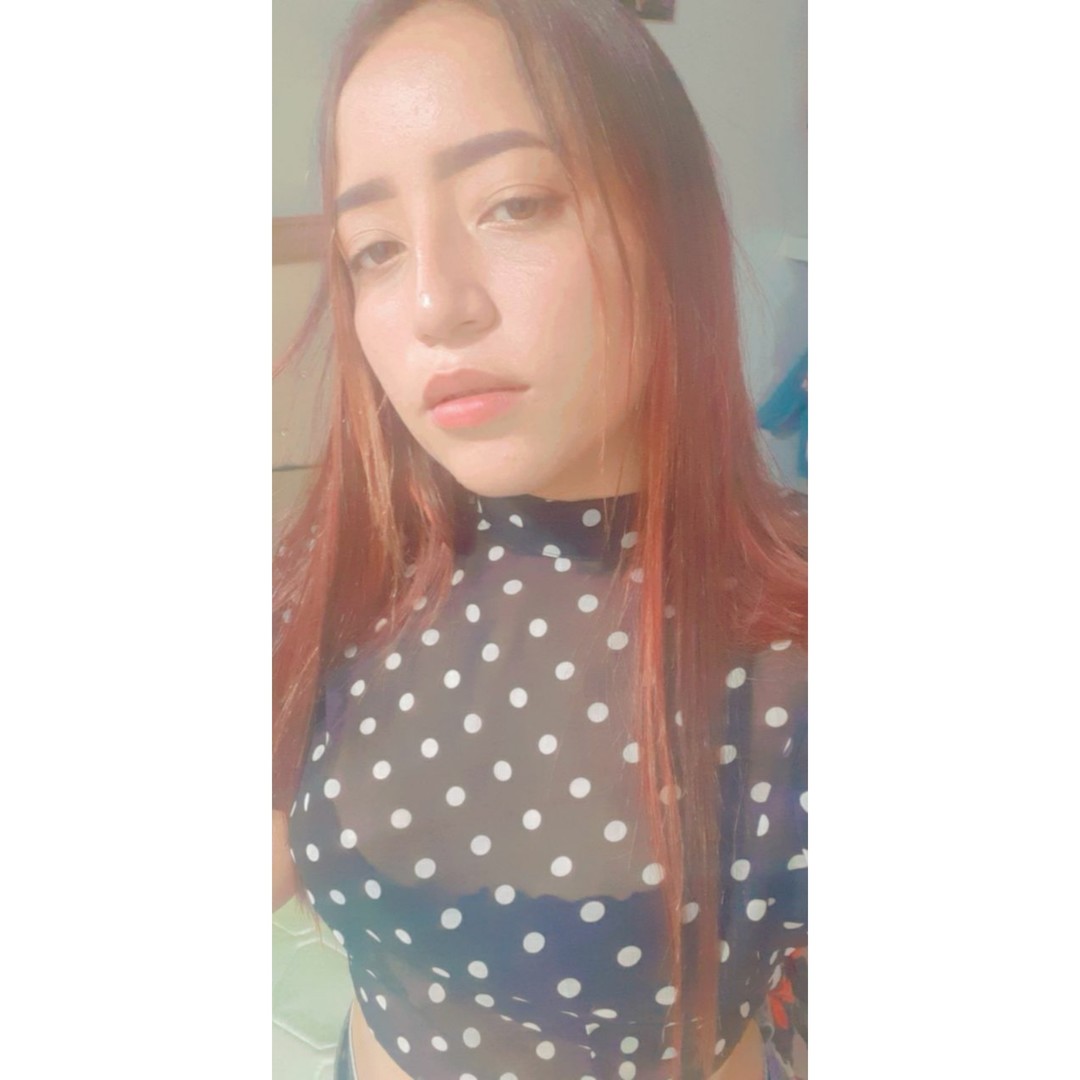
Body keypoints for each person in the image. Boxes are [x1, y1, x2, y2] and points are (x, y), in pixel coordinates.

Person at [271, 2, 808, 1078]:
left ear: (668, 228)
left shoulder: (797, 635)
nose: (434, 305)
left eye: (515, 205)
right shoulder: (336, 576)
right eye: (375, 249)